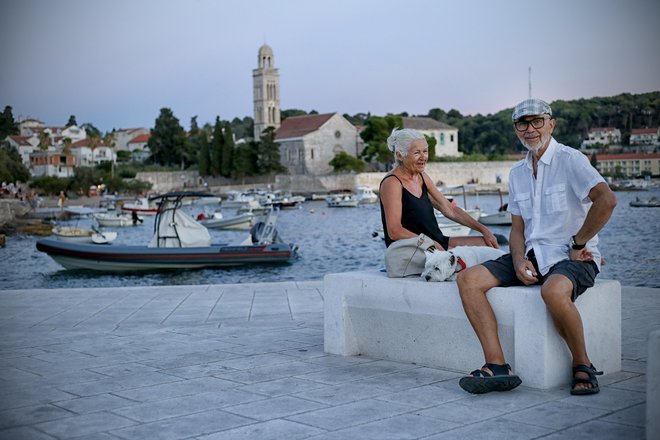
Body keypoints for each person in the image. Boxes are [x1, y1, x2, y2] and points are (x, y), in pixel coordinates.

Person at [455, 98, 617, 395]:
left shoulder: (571, 160)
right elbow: (518, 229)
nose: (529, 129)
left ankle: (583, 364)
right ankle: (497, 365)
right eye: (522, 123)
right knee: (468, 279)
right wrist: (517, 260)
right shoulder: (517, 173)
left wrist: (579, 242)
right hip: (531, 256)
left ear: (550, 124)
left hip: (574, 257)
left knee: (552, 290)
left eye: (536, 121)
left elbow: (606, 200)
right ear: (516, 129)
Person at [379, 128, 499, 257]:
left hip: (437, 242)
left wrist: (483, 230)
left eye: (425, 151)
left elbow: (449, 209)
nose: (423, 157)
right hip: (411, 249)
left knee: (489, 246)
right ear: (399, 155)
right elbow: (394, 231)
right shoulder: (392, 183)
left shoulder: (422, 176)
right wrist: (428, 243)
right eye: (416, 153)